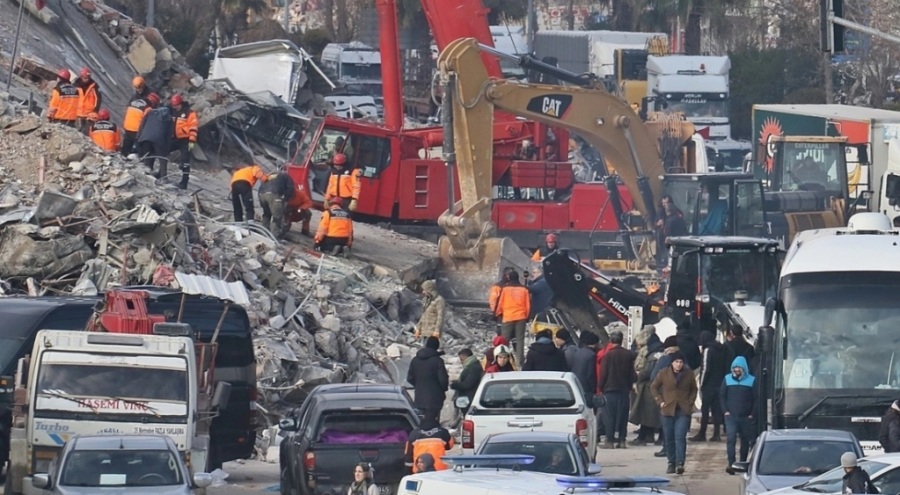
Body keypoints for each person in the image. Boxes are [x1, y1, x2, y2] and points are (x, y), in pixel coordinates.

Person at [651, 351, 698, 475]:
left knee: (680, 436)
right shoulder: (663, 373)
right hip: (667, 409)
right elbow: (654, 387)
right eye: (676, 362)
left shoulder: (688, 374)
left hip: (683, 409)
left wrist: (690, 402)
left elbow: (694, 389)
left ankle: (680, 463)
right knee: (669, 437)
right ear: (672, 363)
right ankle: (671, 462)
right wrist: (660, 401)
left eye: (681, 362)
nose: (679, 364)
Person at [598, 330, 636, 449]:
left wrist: (601, 386)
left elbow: (603, 373)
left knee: (609, 416)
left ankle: (609, 441)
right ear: (621, 340)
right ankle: (622, 440)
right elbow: (632, 374)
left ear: (611, 340)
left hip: (610, 390)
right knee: (623, 416)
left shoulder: (608, 355)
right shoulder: (628, 354)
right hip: (624, 390)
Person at [721, 356, 757, 475]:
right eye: (735, 367)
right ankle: (731, 464)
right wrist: (725, 411)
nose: (736, 369)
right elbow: (722, 396)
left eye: (739, 367)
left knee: (745, 440)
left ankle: (742, 463)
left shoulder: (752, 380)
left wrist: (752, 414)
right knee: (730, 439)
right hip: (730, 416)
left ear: (744, 368)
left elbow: (756, 398)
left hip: (745, 417)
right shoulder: (727, 379)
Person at [629, 326, 664, 446]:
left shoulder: (653, 356)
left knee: (647, 413)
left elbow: (648, 371)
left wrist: (638, 377)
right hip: (655, 387)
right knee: (651, 414)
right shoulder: (660, 353)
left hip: (649, 388)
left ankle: (645, 437)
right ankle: (649, 436)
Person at [692, 330, 729, 443]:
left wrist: (702, 384)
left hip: (709, 385)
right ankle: (716, 433)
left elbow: (705, 368)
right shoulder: (722, 349)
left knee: (705, 409)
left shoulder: (708, 350)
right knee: (716, 410)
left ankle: (702, 433)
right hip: (720, 383)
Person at [406, 336, 448, 425]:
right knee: (433, 424)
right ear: (437, 347)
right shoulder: (438, 361)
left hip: (419, 398)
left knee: (420, 423)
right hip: (435, 399)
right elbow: (443, 380)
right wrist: (442, 389)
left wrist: (418, 385)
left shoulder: (415, 360)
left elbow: (410, 378)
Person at [495, 271, 531, 364]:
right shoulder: (524, 289)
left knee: (505, 339)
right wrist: (527, 317)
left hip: (508, 316)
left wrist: (497, 314)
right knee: (520, 339)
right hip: (521, 316)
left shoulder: (505, 289)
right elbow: (528, 305)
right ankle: (520, 361)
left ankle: (504, 360)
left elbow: (500, 303)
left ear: (509, 278)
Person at [136, 103, 174, 178]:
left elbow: (142, 125)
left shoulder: (150, 112)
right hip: (159, 139)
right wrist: (167, 148)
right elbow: (169, 135)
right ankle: (163, 176)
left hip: (146, 136)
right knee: (162, 157)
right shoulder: (169, 118)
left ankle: (147, 172)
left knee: (148, 154)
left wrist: (138, 137)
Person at [170, 94, 198, 189]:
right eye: (173, 106)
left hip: (186, 140)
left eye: (176, 105)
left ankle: (184, 182)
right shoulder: (173, 112)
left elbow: (193, 127)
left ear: (181, 103)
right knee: (163, 151)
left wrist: (192, 141)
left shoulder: (190, 113)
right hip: (174, 138)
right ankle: (161, 172)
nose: (175, 107)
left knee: (185, 161)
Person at [258, 171, 296, 239]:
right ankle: (274, 237)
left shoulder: (269, 175)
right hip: (274, 195)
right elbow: (290, 188)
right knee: (277, 217)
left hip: (261, 195)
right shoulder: (286, 176)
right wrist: (286, 199)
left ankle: (263, 232)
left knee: (267, 214)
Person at [122, 91, 158, 157]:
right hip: (136, 130)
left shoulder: (133, 102)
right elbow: (148, 123)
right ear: (153, 102)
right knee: (141, 147)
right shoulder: (148, 108)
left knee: (126, 145)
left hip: (127, 126)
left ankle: (123, 154)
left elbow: (126, 111)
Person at [450, 348, 482, 414]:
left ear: (465, 357)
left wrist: (455, 385)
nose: (461, 362)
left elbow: (468, 384)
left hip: (469, 398)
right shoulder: (472, 365)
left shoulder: (473, 367)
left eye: (461, 359)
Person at [571, 331, 599, 403]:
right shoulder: (592, 355)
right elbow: (590, 375)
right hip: (586, 388)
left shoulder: (577, 352)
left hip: (576, 383)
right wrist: (593, 388)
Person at [74, 67, 101, 133]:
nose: (86, 79)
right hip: (78, 113)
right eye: (85, 78)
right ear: (81, 77)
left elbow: (98, 99)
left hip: (89, 114)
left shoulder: (94, 86)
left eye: (88, 78)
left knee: (86, 133)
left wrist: (95, 110)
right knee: (77, 132)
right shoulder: (76, 85)